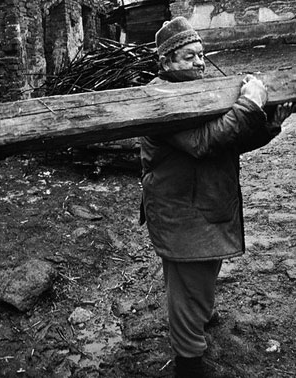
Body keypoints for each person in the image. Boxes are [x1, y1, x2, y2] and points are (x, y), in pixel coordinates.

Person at [139, 17, 294, 378]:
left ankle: (202, 316)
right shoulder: (159, 98)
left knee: (202, 273)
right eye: (189, 56)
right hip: (182, 210)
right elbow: (203, 143)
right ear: (166, 62)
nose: (199, 62)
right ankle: (189, 362)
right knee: (188, 283)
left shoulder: (200, 91)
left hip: (204, 204)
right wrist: (249, 106)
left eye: (201, 55)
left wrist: (268, 121)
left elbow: (230, 141)